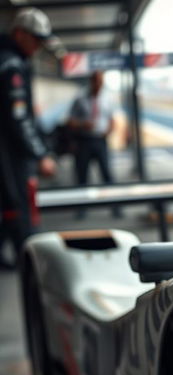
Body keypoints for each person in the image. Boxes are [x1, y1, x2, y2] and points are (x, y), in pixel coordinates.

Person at [0, 7, 57, 268]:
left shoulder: (9, 58)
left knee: (9, 201)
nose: (38, 45)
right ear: (19, 33)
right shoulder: (11, 63)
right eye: (35, 38)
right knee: (19, 204)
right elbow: (18, 117)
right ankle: (29, 263)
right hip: (9, 151)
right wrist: (41, 153)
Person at [68, 70, 121, 218]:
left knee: (107, 174)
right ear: (91, 81)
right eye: (96, 81)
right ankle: (82, 208)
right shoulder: (79, 98)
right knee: (82, 176)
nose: (98, 85)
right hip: (84, 140)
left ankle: (115, 206)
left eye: (101, 82)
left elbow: (112, 119)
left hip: (100, 140)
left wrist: (109, 131)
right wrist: (81, 125)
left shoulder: (108, 98)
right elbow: (69, 121)